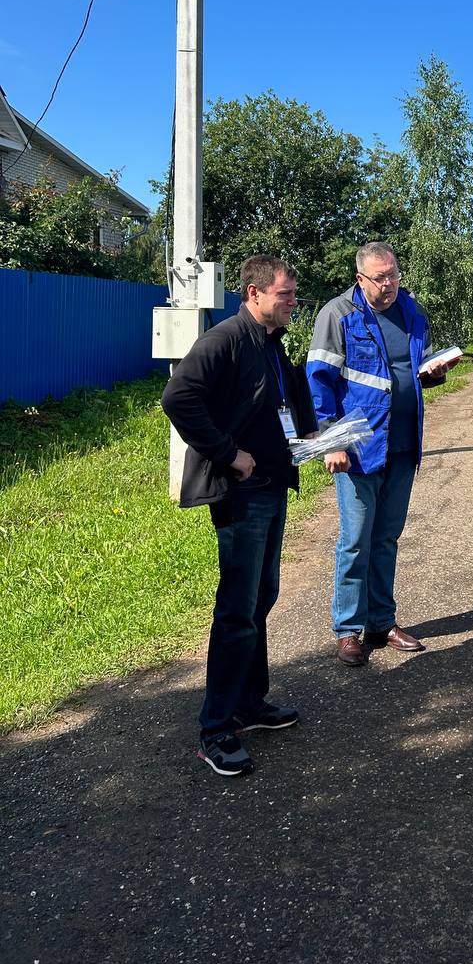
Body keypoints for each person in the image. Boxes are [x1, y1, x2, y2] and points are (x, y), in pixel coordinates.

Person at [161, 255, 318, 777]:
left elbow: (279, 405)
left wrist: (312, 438)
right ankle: (216, 728)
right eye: (285, 294)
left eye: (293, 294)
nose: (293, 302)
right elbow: (178, 399)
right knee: (236, 608)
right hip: (242, 493)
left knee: (260, 598)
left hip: (272, 489)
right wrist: (229, 454)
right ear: (254, 294)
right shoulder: (224, 339)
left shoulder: (271, 343)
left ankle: (250, 702)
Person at [306, 242, 459, 666]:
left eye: (393, 274)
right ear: (361, 278)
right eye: (380, 277)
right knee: (356, 540)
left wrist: (433, 374)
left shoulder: (412, 310)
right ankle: (348, 630)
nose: (389, 284)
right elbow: (320, 381)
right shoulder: (338, 315)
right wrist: (332, 440)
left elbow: (408, 372)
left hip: (404, 443)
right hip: (359, 447)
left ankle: (381, 621)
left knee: (387, 537)